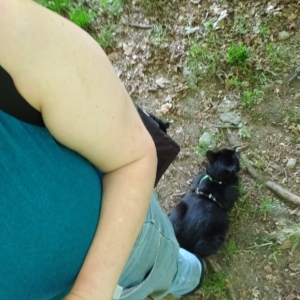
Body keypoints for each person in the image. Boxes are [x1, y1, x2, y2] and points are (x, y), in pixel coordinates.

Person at [0, 0, 204, 299]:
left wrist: (89, 293)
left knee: (171, 270)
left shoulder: (11, 33)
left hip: (133, 249)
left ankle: (184, 275)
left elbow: (132, 158)